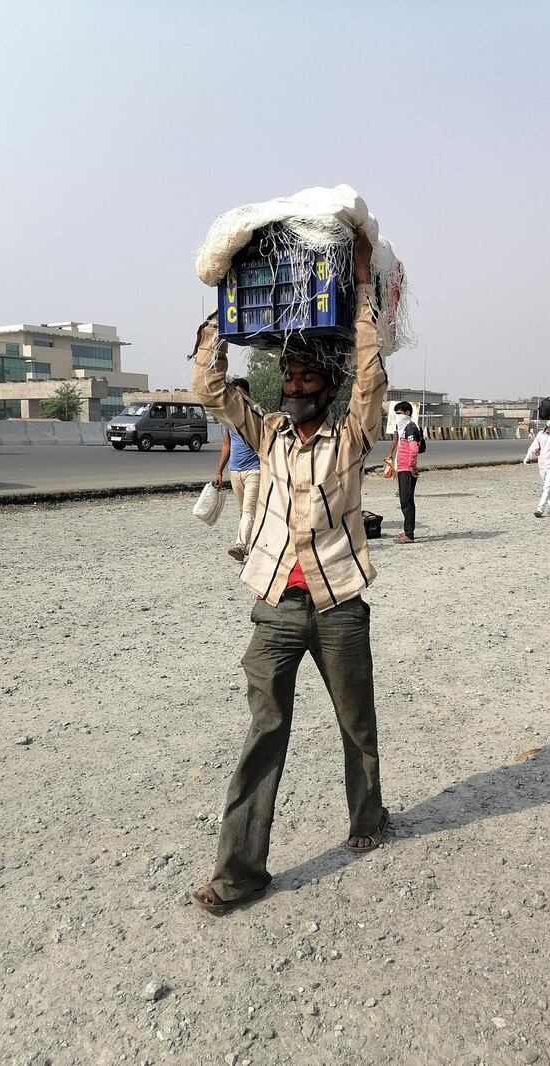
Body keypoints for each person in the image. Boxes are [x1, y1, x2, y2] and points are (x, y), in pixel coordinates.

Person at [190, 231, 389, 915]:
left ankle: (368, 818)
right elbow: (209, 387)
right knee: (263, 731)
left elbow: (372, 377)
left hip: (338, 602)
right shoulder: (266, 432)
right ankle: (239, 874)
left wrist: (361, 289)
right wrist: (222, 304)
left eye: (310, 377)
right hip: (276, 603)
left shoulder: (353, 438)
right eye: (291, 376)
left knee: (355, 722)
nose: (297, 384)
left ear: (329, 389)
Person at [213, 378, 261, 562]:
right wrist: (219, 471)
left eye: (240, 394)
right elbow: (227, 445)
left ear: (248, 395)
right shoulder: (227, 419)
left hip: (254, 470)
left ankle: (240, 546)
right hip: (235, 471)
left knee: (248, 510)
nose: (237, 398)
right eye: (234, 394)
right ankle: (255, 544)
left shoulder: (256, 415)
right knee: (244, 511)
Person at [524, 398, 550, 518]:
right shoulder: (540, 434)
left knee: (547, 487)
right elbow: (534, 446)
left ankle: (540, 509)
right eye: (548, 419)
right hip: (542, 465)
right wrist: (528, 456)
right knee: (545, 487)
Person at [386, 401, 421, 543]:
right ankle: (407, 530)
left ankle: (409, 534)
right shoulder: (403, 427)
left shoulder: (411, 427)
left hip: (407, 468)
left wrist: (412, 465)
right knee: (404, 500)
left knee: (406, 501)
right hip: (402, 468)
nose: (397, 416)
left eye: (399, 413)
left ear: (407, 413)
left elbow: (413, 449)